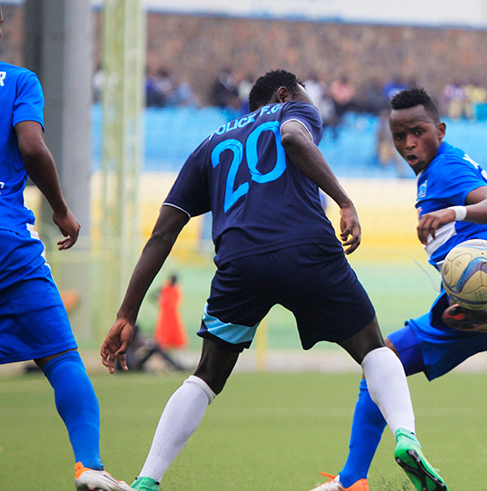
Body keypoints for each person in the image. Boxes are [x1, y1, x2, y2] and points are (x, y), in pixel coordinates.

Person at [99, 70, 446, 491]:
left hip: (239, 263)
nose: (310, 101)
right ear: (283, 95)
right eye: (303, 94)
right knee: (372, 347)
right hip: (308, 249)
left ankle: (147, 481)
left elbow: (163, 232)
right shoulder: (294, 111)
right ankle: (405, 436)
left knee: (207, 375)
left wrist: (126, 313)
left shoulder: (209, 146)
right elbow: (295, 139)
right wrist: (345, 201)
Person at [310, 88, 487, 491]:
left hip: (484, 290)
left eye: (418, 132)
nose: (409, 143)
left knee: (380, 363)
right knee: (382, 365)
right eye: (399, 136)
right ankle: (475, 317)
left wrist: (451, 211)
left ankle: (353, 480)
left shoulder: (446, 170)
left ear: (439, 129)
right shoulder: (454, 161)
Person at [0, 2, 133, 490]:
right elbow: (32, 146)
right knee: (61, 358)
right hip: (2, 238)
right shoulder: (19, 80)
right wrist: (60, 208)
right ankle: (89, 467)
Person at [152, 274, 186, 352]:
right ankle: (163, 344)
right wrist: (160, 300)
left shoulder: (176, 289)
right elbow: (153, 294)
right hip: (165, 312)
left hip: (173, 312)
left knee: (174, 328)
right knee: (164, 328)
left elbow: (177, 301)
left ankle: (175, 344)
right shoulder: (165, 287)